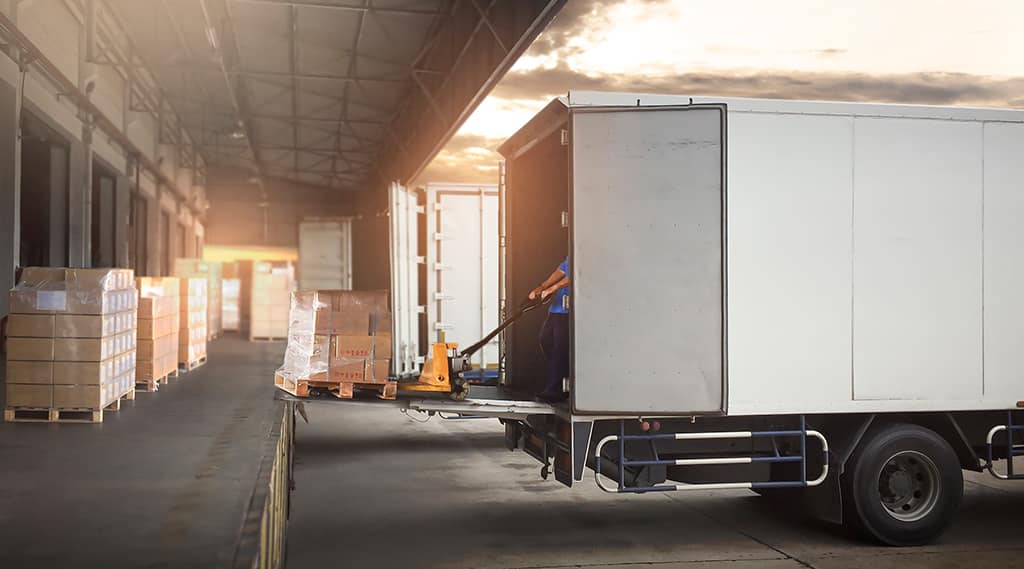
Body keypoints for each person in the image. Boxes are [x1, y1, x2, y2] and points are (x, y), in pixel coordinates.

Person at [529, 256, 570, 403]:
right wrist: (541, 287)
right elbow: (559, 272)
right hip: (556, 310)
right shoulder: (571, 254)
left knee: (560, 349)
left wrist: (553, 289)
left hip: (569, 311)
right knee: (545, 340)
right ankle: (562, 374)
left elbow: (575, 276)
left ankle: (554, 389)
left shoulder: (587, 254)